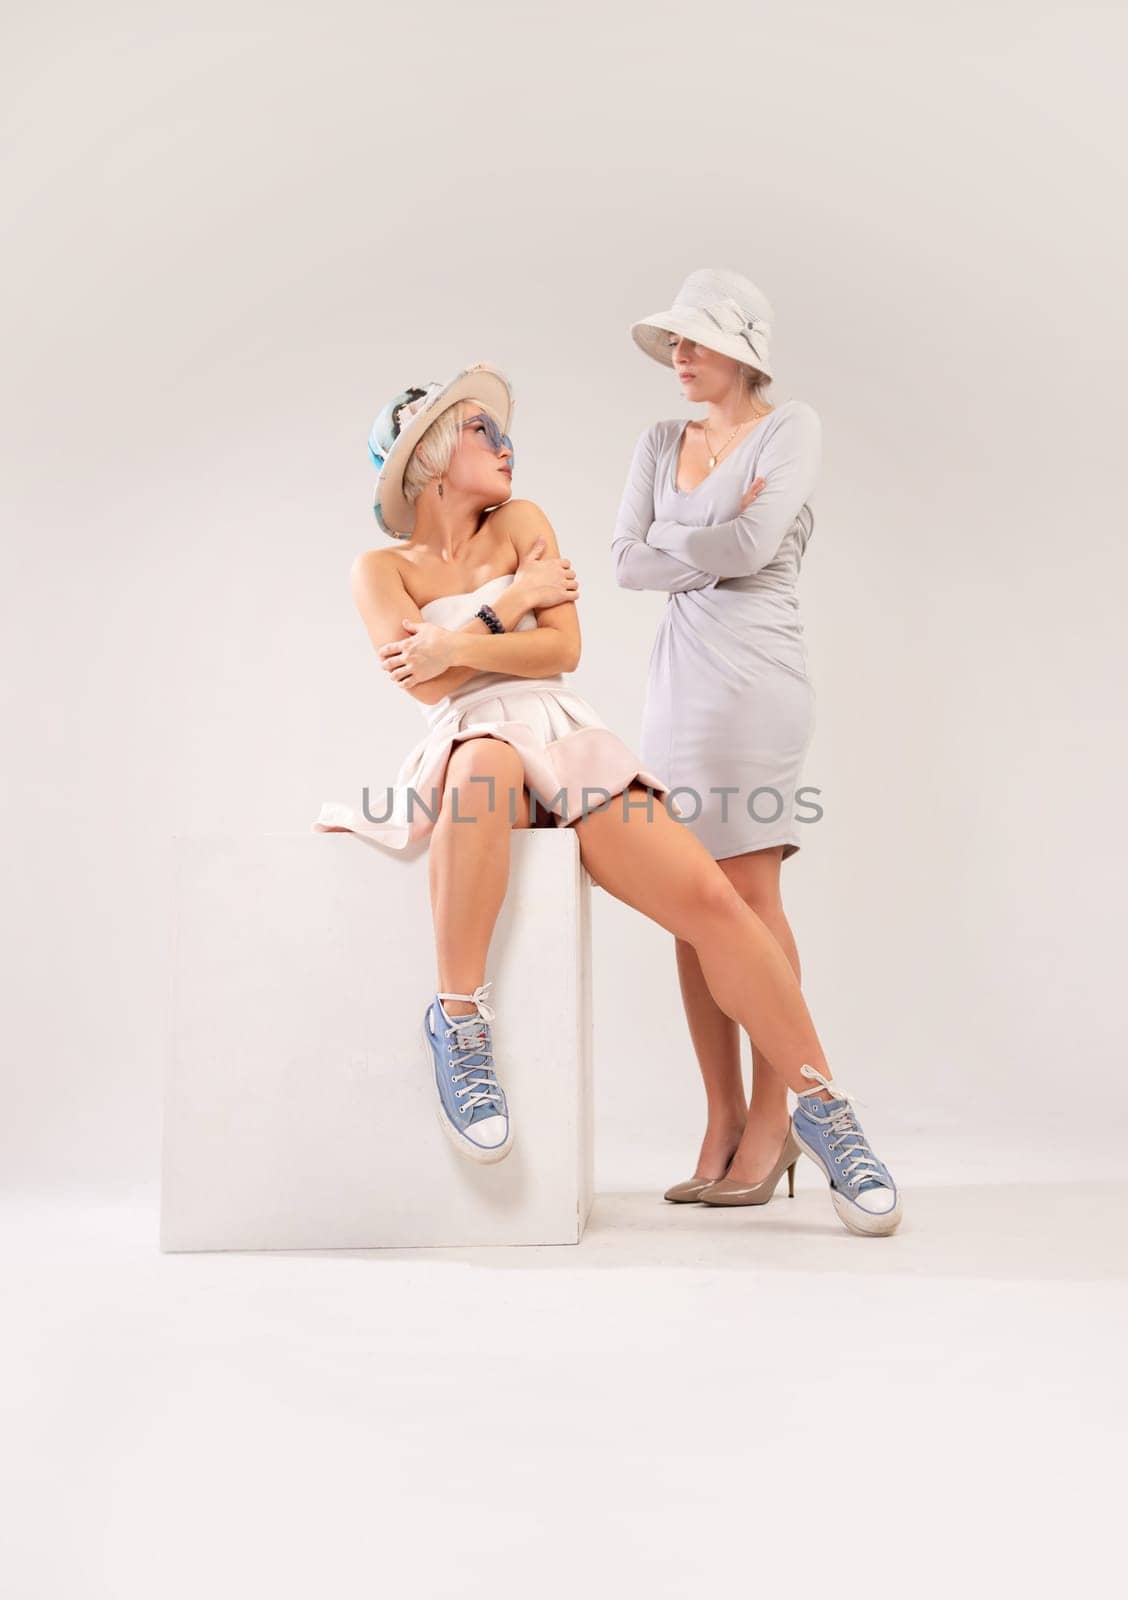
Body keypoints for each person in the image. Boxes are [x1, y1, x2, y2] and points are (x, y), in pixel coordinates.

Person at [314, 361, 900, 1236]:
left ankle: (823, 1108)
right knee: (482, 763)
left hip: (560, 729)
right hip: (476, 742)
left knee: (708, 897)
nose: (506, 444)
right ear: (429, 456)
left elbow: (562, 652)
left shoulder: (524, 519)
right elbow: (426, 688)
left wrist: (455, 643)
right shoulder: (377, 569)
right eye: (482, 431)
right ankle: (459, 1021)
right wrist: (511, 602)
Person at [612, 266, 834, 1213]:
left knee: (747, 888)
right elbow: (625, 561)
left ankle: (777, 1118)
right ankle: (721, 1113)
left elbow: (749, 554)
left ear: (743, 349)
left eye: (695, 340)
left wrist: (678, 539)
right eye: (674, 341)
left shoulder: (790, 429)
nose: (679, 355)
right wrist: (704, 539)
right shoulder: (661, 440)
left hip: (756, 684)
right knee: (688, 900)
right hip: (677, 687)